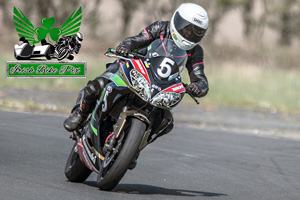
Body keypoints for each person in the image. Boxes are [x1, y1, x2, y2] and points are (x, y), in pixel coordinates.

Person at [64, 3, 209, 135]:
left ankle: (137, 144)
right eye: (187, 27)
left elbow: (200, 78)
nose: (189, 33)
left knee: (167, 121)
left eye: (196, 31)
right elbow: (136, 40)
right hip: (134, 67)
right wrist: (124, 47)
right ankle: (80, 114)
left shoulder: (196, 51)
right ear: (177, 21)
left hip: (162, 85)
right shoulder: (160, 28)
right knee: (98, 85)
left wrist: (198, 87)